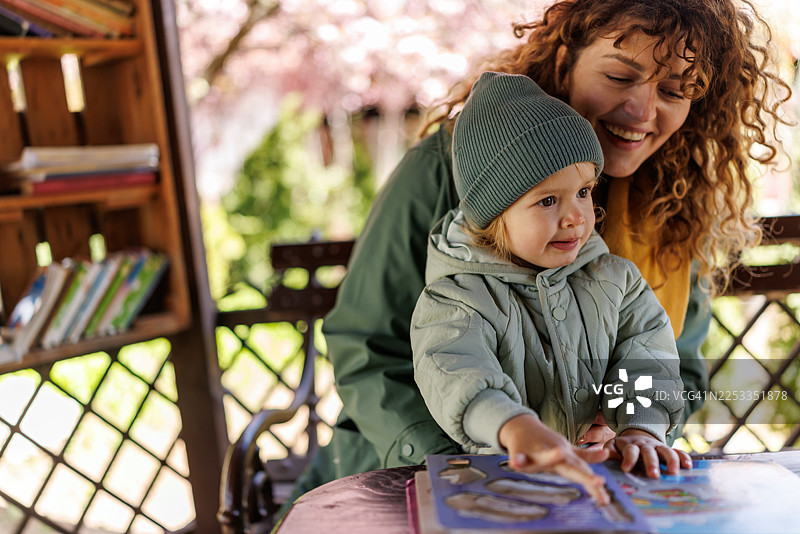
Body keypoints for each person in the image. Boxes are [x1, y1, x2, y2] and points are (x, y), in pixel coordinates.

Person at [289, 0, 792, 500]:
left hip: (590, 488)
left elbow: (670, 362)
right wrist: (485, 460)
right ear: (564, 60)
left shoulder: (678, 202)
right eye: (620, 77)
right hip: (406, 474)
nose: (642, 110)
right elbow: (370, 349)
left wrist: (636, 435)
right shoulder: (456, 171)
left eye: (674, 90)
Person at [410, 71, 689, 505]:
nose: (576, 216)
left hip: (605, 482)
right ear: (494, 214)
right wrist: (514, 427)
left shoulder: (615, 280)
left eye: (583, 192)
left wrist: (640, 428)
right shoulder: (457, 299)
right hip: (506, 487)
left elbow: (646, 355)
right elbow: (455, 372)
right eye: (547, 201)